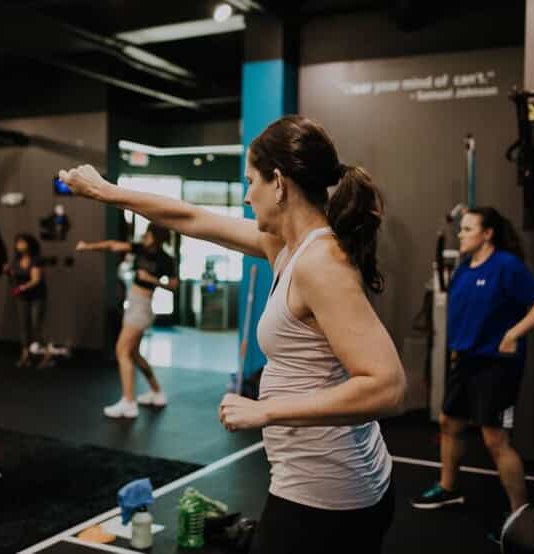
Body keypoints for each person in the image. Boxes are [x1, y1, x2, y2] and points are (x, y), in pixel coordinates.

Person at [60, 115, 406, 553]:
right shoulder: (286, 246)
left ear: (278, 183)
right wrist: (107, 192)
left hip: (327, 494)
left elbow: (388, 387)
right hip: (324, 482)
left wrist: (268, 411)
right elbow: (189, 216)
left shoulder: (321, 263)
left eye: (250, 181)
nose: (245, 196)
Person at [411, 208, 534, 517]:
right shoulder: (464, 270)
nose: (460, 234)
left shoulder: (507, 266)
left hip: (496, 367)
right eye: (460, 229)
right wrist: (454, 349)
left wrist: (513, 333)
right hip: (465, 362)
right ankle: (448, 488)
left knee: (495, 439)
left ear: (487, 233)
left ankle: (520, 515)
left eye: (467, 229)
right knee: (449, 423)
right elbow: (463, 315)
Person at [75, 223, 178, 418]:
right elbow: (113, 245)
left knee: (121, 351)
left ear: (157, 237)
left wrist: (151, 279)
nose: (145, 236)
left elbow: (174, 286)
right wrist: (87, 247)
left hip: (142, 307)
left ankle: (128, 402)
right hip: (134, 304)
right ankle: (157, 392)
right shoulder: (139, 248)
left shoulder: (165, 259)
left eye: (149, 233)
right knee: (135, 354)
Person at [3, 234, 52, 369]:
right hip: (22, 297)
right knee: (24, 327)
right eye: (17, 242)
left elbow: (36, 280)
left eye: (21, 242)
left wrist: (22, 287)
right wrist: (7, 272)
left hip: (37, 296)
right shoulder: (16, 260)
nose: (18, 245)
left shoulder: (37, 260)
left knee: (37, 326)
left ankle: (47, 355)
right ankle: (25, 355)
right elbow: (13, 278)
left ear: (29, 244)